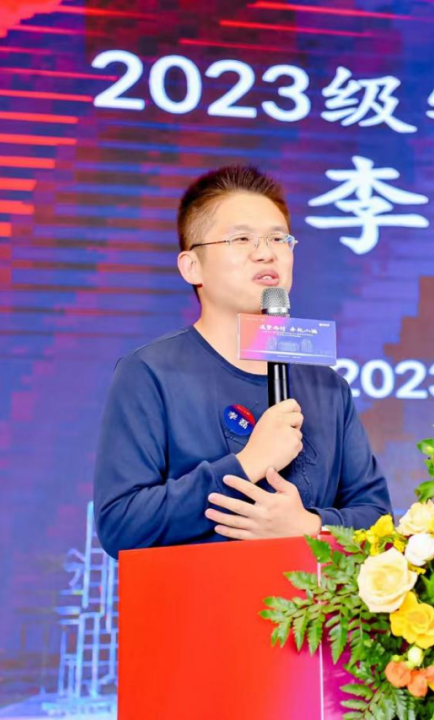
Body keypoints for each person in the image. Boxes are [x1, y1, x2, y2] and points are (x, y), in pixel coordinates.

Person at [93, 165, 392, 556]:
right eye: (242, 238)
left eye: (278, 238)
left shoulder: (326, 386)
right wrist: (247, 463)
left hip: (314, 595)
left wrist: (309, 527)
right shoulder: (151, 372)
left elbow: (379, 519)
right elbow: (121, 524)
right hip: (201, 595)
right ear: (192, 266)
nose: (266, 253)